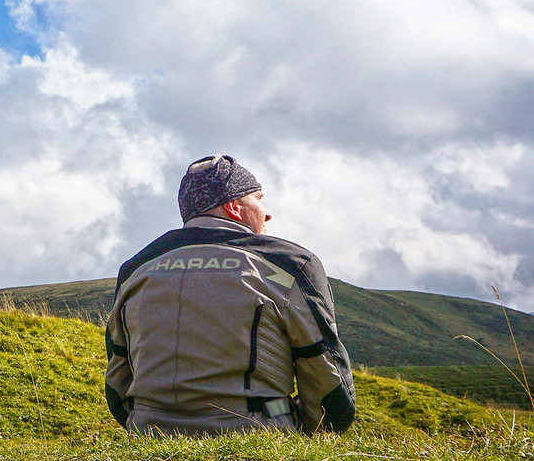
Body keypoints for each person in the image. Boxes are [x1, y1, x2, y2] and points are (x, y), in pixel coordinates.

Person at [103, 154, 356, 436]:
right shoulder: (292, 265)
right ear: (233, 207)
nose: (267, 212)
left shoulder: (135, 268)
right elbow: (327, 379)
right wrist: (310, 433)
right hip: (257, 434)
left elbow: (117, 379)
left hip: (149, 434)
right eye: (258, 199)